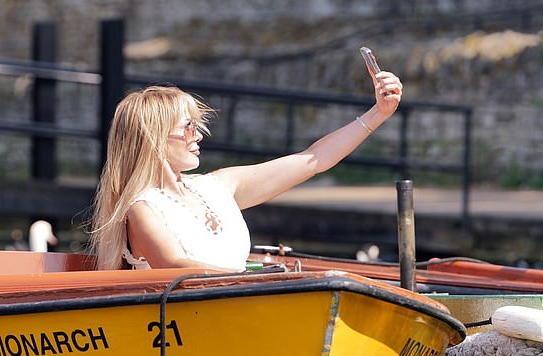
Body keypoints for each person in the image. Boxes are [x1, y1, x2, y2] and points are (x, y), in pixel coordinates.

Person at [90, 67, 403, 272]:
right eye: (188, 127)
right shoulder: (142, 207)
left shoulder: (218, 185)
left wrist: (378, 113)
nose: (198, 135)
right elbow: (175, 265)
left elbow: (315, 158)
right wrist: (261, 279)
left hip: (242, 308)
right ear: (154, 138)